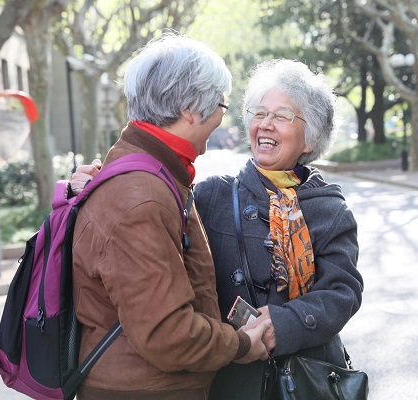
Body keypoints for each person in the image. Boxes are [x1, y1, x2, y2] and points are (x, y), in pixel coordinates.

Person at [73, 59, 364, 399]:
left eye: (282, 116)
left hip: (302, 380)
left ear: (309, 138)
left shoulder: (329, 208)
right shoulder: (212, 195)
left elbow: (342, 291)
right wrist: (95, 181)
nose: (265, 124)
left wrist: (285, 324)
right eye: (259, 113)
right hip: (230, 376)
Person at [70, 32, 270, 400]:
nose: (222, 118)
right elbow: (167, 333)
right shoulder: (140, 196)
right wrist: (240, 344)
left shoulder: (148, 172)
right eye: (222, 105)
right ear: (191, 109)